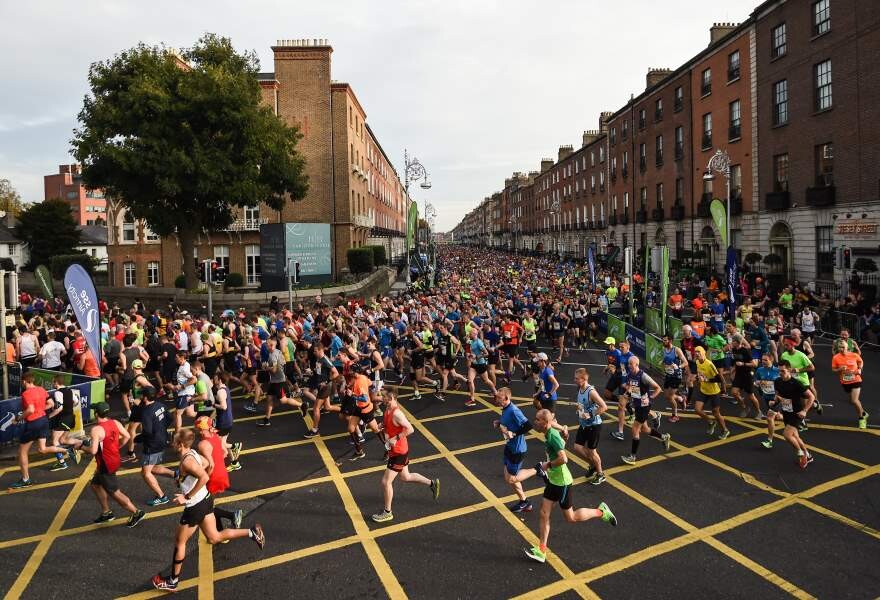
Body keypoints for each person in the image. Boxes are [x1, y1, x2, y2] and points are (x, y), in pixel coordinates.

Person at [151, 428, 264, 592]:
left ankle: (172, 581)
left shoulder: (187, 461)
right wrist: (181, 478)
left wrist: (186, 496)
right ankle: (252, 532)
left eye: (173, 441)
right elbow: (207, 465)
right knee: (214, 537)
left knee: (180, 542)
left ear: (180, 444)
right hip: (205, 499)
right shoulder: (192, 454)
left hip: (195, 506)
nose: (171, 443)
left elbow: (204, 477)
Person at [523, 409, 616, 564]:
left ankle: (601, 512)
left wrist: (547, 465)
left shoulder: (552, 436)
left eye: (538, 420)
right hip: (553, 481)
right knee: (544, 513)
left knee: (571, 517)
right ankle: (542, 551)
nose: (535, 421)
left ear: (545, 423)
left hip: (562, 483)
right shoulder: (549, 432)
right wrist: (564, 436)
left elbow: (564, 459)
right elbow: (558, 445)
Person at [70, 402, 146, 526]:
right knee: (95, 485)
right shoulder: (115, 422)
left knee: (114, 492)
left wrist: (81, 447)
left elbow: (93, 451)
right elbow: (127, 436)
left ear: (96, 414)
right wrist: (117, 446)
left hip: (106, 464)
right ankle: (106, 512)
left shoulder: (96, 430)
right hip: (113, 459)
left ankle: (136, 512)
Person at [370, 391, 440, 523]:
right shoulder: (388, 409)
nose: (381, 399)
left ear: (391, 398)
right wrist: (383, 425)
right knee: (405, 477)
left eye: (384, 397)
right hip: (397, 450)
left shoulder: (397, 413)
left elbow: (410, 429)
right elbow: (391, 424)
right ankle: (432, 483)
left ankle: (387, 513)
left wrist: (395, 438)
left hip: (399, 452)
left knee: (386, 482)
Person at [10, 373, 78, 488]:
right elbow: (51, 403)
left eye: (22, 382)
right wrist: (40, 409)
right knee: (42, 449)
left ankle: (26, 479)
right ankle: (68, 450)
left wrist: (18, 418)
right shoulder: (41, 389)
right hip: (44, 421)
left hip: (33, 423)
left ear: (24, 381)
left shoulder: (26, 393)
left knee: (22, 452)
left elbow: (30, 410)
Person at [492, 387, 544, 513]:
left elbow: (528, 426)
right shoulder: (505, 408)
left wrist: (514, 434)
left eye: (499, 397)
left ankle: (537, 469)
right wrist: (499, 422)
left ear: (506, 398)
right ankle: (524, 502)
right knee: (509, 477)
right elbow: (509, 422)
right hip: (509, 447)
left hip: (517, 450)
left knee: (511, 479)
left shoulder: (514, 410)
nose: (496, 399)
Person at [620, 356, 670, 465]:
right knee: (645, 429)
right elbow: (630, 387)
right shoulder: (630, 375)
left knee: (635, 429)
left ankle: (633, 456)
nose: (629, 366)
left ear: (637, 364)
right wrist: (627, 394)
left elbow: (658, 388)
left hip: (644, 407)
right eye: (628, 364)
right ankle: (664, 437)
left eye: (631, 364)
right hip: (638, 406)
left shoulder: (643, 376)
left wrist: (650, 398)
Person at [771, 361, 815, 469]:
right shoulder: (777, 381)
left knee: (787, 435)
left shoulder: (796, 383)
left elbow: (811, 397)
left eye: (783, 371)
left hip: (797, 413)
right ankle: (808, 455)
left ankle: (801, 453)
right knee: (795, 436)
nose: (780, 373)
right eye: (779, 371)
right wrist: (774, 402)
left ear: (789, 370)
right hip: (786, 412)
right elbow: (778, 395)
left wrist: (804, 411)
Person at [137, 387, 176, 506]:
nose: (140, 397)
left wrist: (138, 439)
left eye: (141, 395)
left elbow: (148, 432)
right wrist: (161, 429)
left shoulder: (146, 412)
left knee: (145, 473)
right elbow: (170, 418)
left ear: (145, 397)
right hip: (163, 440)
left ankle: (161, 496)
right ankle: (175, 474)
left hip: (152, 445)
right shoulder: (161, 405)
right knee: (152, 467)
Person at [571, 368, 608, 485]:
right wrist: (579, 410)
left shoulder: (591, 392)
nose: (574, 380)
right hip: (584, 424)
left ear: (584, 379)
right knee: (577, 447)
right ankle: (593, 465)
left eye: (576, 378)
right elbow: (583, 404)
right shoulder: (580, 388)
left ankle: (600, 474)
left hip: (594, 425)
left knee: (592, 452)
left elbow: (604, 407)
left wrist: (590, 414)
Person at [692, 346, 730, 439]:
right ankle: (711, 422)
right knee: (697, 409)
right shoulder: (697, 362)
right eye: (695, 352)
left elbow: (718, 378)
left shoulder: (709, 364)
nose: (697, 353)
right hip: (703, 390)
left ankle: (725, 430)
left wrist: (706, 380)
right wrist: (697, 378)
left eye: (698, 352)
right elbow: (700, 374)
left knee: (716, 413)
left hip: (714, 392)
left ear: (703, 353)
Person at [830, 340, 868, 429]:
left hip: (856, 380)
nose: (842, 349)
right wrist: (839, 369)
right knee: (853, 401)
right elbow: (833, 369)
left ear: (847, 347)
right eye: (840, 347)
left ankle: (862, 418)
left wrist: (859, 369)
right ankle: (863, 413)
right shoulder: (836, 357)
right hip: (845, 382)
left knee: (854, 400)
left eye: (843, 347)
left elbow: (860, 361)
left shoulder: (854, 355)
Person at [47, 375, 79, 471]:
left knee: (55, 441)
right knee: (62, 440)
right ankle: (82, 442)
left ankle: (62, 463)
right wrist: (68, 407)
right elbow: (76, 401)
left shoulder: (58, 392)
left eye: (53, 382)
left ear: (56, 383)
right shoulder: (70, 390)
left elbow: (59, 408)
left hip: (63, 419)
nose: (52, 384)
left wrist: (49, 416)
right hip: (71, 418)